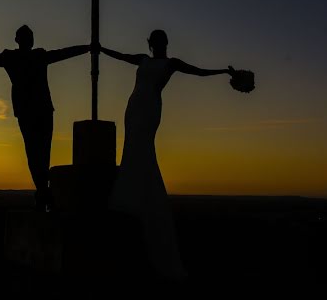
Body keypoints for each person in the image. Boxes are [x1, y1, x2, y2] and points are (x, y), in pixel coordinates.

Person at [101, 29, 236, 279]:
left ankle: (144, 207)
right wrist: (99, 48)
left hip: (150, 108)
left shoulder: (171, 63)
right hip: (133, 107)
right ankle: (132, 198)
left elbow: (198, 71)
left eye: (161, 41)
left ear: (165, 43)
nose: (158, 45)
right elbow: (121, 56)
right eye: (155, 41)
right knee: (131, 152)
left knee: (143, 150)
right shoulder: (143, 58)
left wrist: (225, 72)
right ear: (150, 44)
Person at [0, 25, 91, 211]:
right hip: (32, 112)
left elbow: (62, 53)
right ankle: (43, 193)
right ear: (18, 40)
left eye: (30, 36)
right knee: (36, 154)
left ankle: (43, 194)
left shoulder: (33, 56)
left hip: (39, 112)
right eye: (26, 36)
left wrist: (86, 48)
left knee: (39, 154)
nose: (29, 39)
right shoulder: (15, 57)